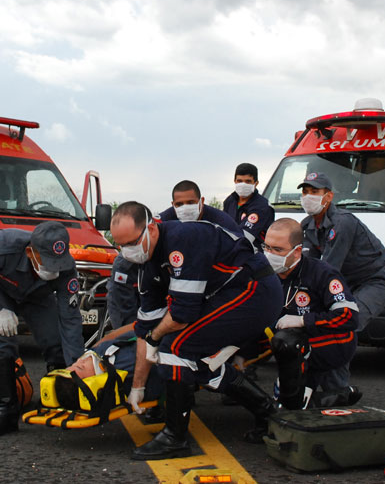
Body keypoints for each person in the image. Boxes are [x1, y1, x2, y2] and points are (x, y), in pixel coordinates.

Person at [110, 201, 283, 459]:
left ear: (152, 228)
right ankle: (268, 413)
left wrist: (157, 337)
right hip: (229, 294)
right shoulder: (147, 266)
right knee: (199, 361)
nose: (127, 252)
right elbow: (144, 329)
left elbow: (180, 316)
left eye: (132, 243)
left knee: (176, 347)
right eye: (120, 246)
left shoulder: (183, 239)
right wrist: (138, 386)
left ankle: (175, 437)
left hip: (256, 291)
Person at [0, 221, 84, 437]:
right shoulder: (4, 245)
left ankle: (60, 398)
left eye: (57, 264)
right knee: (0, 339)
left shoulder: (66, 268)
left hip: (37, 296)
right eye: (48, 263)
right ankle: (6, 411)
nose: (54, 269)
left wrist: (77, 369)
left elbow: (70, 319)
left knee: (56, 339)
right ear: (30, 252)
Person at [298, 171, 385, 389]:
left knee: (343, 324)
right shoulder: (307, 225)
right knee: (322, 319)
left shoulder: (343, 223)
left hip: (378, 280)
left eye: (314, 191)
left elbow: (327, 270)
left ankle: (337, 392)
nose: (308, 196)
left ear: (329, 196)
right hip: (349, 282)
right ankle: (316, 387)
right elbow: (307, 267)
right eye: (305, 191)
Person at [106, 180, 243, 330]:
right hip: (173, 278)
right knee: (122, 267)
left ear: (201, 201)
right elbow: (143, 237)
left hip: (213, 281)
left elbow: (240, 250)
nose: (185, 208)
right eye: (179, 204)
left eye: (190, 202)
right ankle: (128, 329)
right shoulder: (164, 218)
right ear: (173, 204)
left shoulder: (221, 220)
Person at [263, 219, 360, 409]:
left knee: (290, 399)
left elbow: (349, 317)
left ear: (297, 251)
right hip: (298, 341)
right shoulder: (266, 273)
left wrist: (303, 320)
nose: (270, 255)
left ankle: (334, 397)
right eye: (266, 247)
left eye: (278, 250)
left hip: (334, 341)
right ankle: (325, 396)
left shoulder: (322, 273)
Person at [222, 162, 275, 251]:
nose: (243, 185)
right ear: (234, 181)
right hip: (231, 252)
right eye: (239, 181)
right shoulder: (230, 201)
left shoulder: (262, 206)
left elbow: (245, 237)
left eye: (248, 181)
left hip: (254, 255)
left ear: (256, 183)